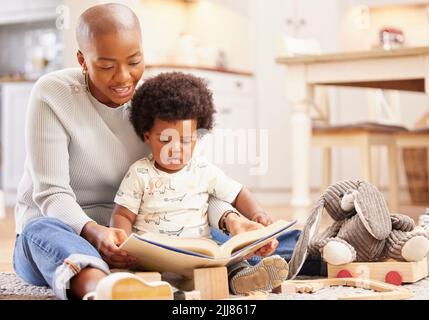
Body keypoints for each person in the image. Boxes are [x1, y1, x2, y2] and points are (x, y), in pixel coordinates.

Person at [12, 3, 268, 300]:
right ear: (82, 60)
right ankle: (104, 289)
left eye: (134, 61)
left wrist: (232, 219)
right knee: (41, 232)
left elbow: (190, 182)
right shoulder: (53, 94)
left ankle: (312, 253)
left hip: (138, 239)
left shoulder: (151, 103)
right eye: (107, 66)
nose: (123, 78)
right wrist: (96, 232)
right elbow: (51, 194)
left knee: (243, 237)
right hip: (68, 234)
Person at [111, 72, 289, 294]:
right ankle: (159, 291)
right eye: (165, 139)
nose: (175, 149)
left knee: (227, 259)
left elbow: (238, 193)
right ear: (147, 135)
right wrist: (123, 243)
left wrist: (257, 215)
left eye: (186, 140)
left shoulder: (203, 170)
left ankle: (242, 278)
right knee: (134, 277)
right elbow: (123, 215)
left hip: (199, 257)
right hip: (153, 259)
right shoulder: (140, 173)